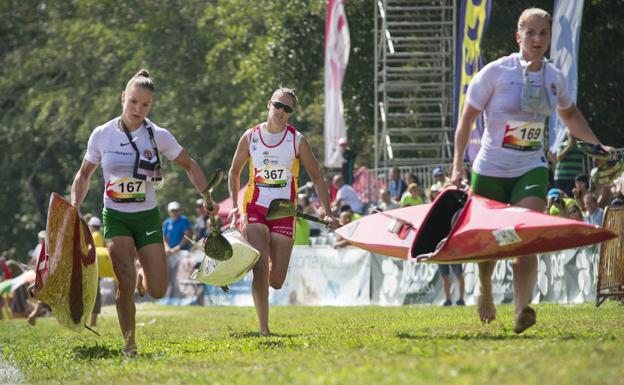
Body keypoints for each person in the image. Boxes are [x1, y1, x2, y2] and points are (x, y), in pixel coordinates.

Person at [450, 8, 613, 333]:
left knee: (526, 236)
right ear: (518, 36)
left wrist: (598, 146)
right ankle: (485, 286)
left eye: (543, 34)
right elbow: (467, 119)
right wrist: (457, 166)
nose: (537, 40)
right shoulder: (495, 73)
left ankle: (523, 309)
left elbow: (570, 116)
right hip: (490, 169)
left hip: (531, 169)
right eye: (531, 33)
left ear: (550, 38)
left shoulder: (553, 77)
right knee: (490, 242)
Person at [70, 69, 219, 355]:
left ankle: (142, 275)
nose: (138, 109)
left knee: (159, 289)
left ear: (151, 106)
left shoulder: (158, 135)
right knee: (123, 282)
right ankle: (130, 346)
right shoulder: (102, 134)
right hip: (115, 216)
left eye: (145, 105)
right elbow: (84, 174)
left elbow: (189, 164)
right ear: (123, 98)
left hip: (147, 216)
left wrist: (206, 195)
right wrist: (75, 206)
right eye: (133, 102)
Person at [228, 87, 338, 336]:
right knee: (260, 267)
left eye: (287, 109)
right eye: (278, 105)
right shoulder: (251, 136)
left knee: (275, 280)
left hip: (283, 210)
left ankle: (257, 265)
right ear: (269, 105)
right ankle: (264, 328)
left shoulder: (296, 140)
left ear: (290, 114)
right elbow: (234, 172)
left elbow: (318, 177)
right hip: (254, 207)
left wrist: (327, 212)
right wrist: (235, 207)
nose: (281, 111)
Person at [554, 131, 585, 197]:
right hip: (561, 177)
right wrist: (568, 147)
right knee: (560, 198)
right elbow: (559, 158)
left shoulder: (581, 146)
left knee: (571, 198)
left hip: (574, 178)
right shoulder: (562, 145)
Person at [88, 217, 104, 327]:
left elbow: (91, 252)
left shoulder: (95, 236)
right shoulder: (100, 236)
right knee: (95, 294)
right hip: (98, 268)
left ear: (92, 226)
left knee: (94, 294)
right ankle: (92, 320)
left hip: (93, 269)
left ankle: (92, 321)